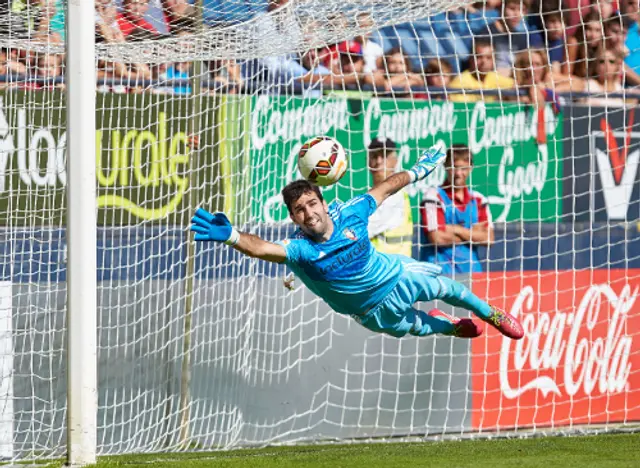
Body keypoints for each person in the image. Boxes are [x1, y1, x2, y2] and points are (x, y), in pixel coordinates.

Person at [190, 145, 524, 341]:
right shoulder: (301, 250)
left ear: (321, 201)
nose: (309, 213)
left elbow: (387, 188)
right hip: (369, 311)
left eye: (311, 204)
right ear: (294, 218)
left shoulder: (351, 213)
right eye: (299, 211)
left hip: (395, 276)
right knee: (418, 327)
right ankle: (447, 327)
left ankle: (490, 312)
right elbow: (262, 247)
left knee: (448, 288)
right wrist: (233, 237)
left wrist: (419, 170)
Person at [420, 145, 494, 275]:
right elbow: (437, 238)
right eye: (454, 167)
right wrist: (472, 233)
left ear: (471, 169)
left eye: (463, 168)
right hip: (439, 277)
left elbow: (488, 238)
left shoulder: (478, 200)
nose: (458, 173)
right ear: (445, 167)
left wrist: (455, 229)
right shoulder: (432, 196)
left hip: (472, 274)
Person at [366, 138, 413, 257]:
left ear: (395, 161)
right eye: (374, 156)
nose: (379, 161)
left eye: (384, 156)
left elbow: (364, 229)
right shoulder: (374, 194)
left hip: (393, 268)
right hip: (381, 267)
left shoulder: (394, 195)